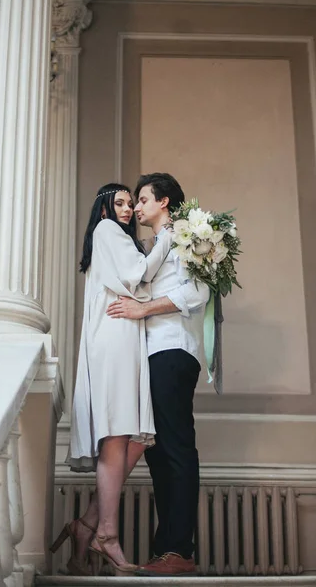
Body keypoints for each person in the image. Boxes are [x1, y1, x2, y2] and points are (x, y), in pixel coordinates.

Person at [50, 183, 172, 576]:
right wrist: (167, 240)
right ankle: (106, 533)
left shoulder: (116, 241)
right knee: (121, 433)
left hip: (123, 336)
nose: (126, 209)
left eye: (129, 202)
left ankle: (86, 526)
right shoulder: (107, 232)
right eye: (118, 203)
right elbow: (139, 273)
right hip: (116, 337)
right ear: (103, 209)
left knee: (132, 434)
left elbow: (137, 280)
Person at [107, 173, 210, 577]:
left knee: (177, 449)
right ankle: (167, 548)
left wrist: (141, 310)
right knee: (158, 454)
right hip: (150, 355)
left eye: (145, 198)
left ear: (164, 202)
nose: (137, 206)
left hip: (173, 351)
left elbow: (195, 293)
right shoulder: (151, 246)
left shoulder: (190, 238)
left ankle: (178, 549)